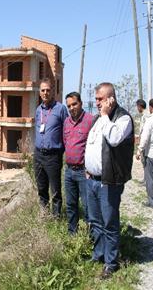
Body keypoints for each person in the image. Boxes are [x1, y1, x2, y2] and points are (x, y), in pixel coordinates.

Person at [84, 82, 134, 279]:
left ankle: (111, 263)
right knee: (94, 221)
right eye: (96, 99)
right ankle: (99, 254)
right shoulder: (98, 119)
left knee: (109, 223)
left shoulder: (123, 119)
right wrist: (88, 169)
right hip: (92, 180)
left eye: (100, 99)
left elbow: (114, 139)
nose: (97, 103)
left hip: (109, 182)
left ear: (111, 99)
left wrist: (105, 115)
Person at [34, 78, 68, 217]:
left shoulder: (60, 109)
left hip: (53, 155)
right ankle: (44, 213)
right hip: (38, 155)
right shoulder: (38, 110)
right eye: (43, 90)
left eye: (48, 90)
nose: (45, 93)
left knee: (55, 190)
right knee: (41, 187)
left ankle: (56, 218)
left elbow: (66, 131)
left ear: (52, 91)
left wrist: (62, 151)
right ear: (39, 92)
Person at [63, 91, 93, 234]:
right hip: (69, 171)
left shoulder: (90, 120)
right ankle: (72, 235)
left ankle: (91, 237)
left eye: (74, 104)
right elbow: (65, 142)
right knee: (70, 205)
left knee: (88, 206)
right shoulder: (66, 122)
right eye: (69, 105)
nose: (71, 108)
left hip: (84, 172)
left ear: (80, 103)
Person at [135, 99, 150, 181]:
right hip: (144, 141)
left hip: (145, 143)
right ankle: (146, 178)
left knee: (145, 161)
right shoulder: (145, 115)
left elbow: (145, 130)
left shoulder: (146, 116)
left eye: (137, 107)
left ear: (140, 106)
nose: (137, 109)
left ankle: (147, 179)